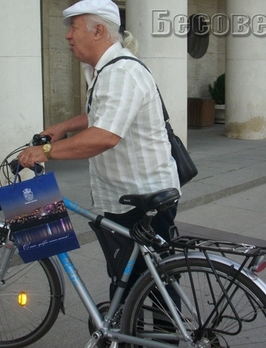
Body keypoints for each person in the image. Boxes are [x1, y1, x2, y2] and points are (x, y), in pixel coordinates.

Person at [18, 0, 180, 300]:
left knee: (151, 286)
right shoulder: (104, 70)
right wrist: (66, 125)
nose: (68, 35)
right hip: (125, 194)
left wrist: (47, 152)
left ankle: (162, 336)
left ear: (98, 31)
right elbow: (103, 114)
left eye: (74, 28)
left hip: (141, 199)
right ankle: (125, 332)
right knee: (129, 281)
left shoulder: (121, 73)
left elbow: (104, 136)